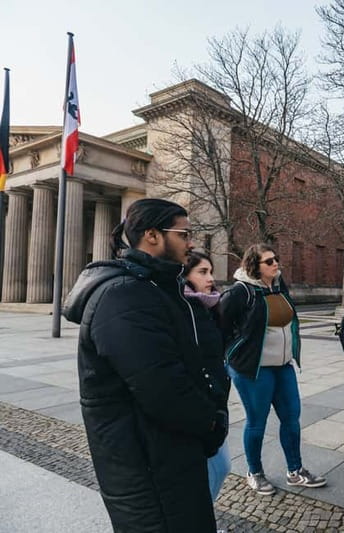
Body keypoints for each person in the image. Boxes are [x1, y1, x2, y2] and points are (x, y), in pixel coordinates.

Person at [63, 198, 225, 532]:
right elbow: (163, 389)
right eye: (184, 233)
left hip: (166, 456)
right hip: (148, 466)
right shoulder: (125, 297)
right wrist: (211, 424)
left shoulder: (157, 288)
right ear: (152, 235)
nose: (191, 242)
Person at [219, 243, 326, 495]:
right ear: (254, 266)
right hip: (254, 370)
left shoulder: (278, 285)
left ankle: (295, 471)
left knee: (292, 418)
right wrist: (232, 356)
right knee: (257, 423)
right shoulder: (240, 292)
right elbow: (220, 327)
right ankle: (254, 472)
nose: (275, 263)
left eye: (275, 259)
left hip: (283, 366)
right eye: (269, 261)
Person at [183, 249, 232, 501]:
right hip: (200, 404)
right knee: (217, 468)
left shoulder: (210, 306)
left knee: (219, 468)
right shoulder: (185, 309)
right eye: (203, 272)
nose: (211, 278)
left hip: (216, 400)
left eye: (211, 271)